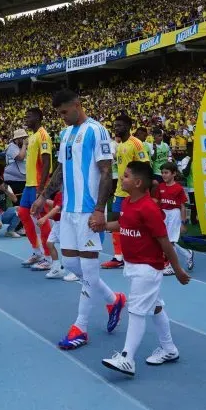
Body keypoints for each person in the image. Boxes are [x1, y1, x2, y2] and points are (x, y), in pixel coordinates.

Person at [36, 88, 126, 351]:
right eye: (59, 114)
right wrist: (43, 196)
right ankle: (114, 299)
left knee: (87, 271)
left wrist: (100, 209)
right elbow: (61, 170)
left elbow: (106, 171)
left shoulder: (96, 131)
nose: (62, 117)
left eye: (65, 112)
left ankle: (81, 327)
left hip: (89, 211)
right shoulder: (65, 134)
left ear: (77, 104)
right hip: (69, 211)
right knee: (70, 264)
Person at [93, 161, 188, 377]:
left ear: (137, 182)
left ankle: (127, 358)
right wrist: (104, 226)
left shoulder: (149, 208)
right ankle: (169, 349)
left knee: (136, 310)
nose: (121, 179)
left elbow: (164, 241)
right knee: (155, 307)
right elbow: (125, 223)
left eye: (125, 176)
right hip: (133, 265)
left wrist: (178, 270)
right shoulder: (127, 203)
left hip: (148, 267)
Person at [103, 114, 150, 270]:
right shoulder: (120, 145)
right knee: (116, 221)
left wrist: (140, 190)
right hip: (120, 191)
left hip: (134, 193)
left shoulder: (136, 143)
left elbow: (145, 167)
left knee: (139, 224)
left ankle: (149, 253)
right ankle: (118, 257)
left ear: (129, 127)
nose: (116, 128)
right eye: (115, 125)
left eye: (120, 125)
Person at [19, 108, 53, 269]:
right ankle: (37, 252)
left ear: (39, 118)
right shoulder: (31, 137)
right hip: (29, 184)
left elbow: (46, 162)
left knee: (41, 219)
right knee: (23, 213)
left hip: (38, 184)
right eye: (25, 116)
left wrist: (42, 188)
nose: (26, 118)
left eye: (29, 116)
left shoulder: (43, 135)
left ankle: (48, 257)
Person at [155, 161, 194, 275]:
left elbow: (182, 206)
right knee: (164, 240)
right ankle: (187, 253)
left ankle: (172, 266)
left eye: (166, 173)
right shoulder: (160, 187)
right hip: (164, 214)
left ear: (174, 174)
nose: (163, 175)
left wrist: (182, 222)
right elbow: (157, 202)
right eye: (162, 173)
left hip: (174, 214)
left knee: (170, 241)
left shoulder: (178, 188)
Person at [35, 190, 79, 281]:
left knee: (68, 248)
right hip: (57, 223)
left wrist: (44, 218)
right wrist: (43, 200)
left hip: (63, 223)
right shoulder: (58, 193)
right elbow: (55, 206)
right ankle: (57, 268)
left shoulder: (64, 192)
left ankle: (76, 272)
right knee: (49, 243)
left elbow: (57, 208)